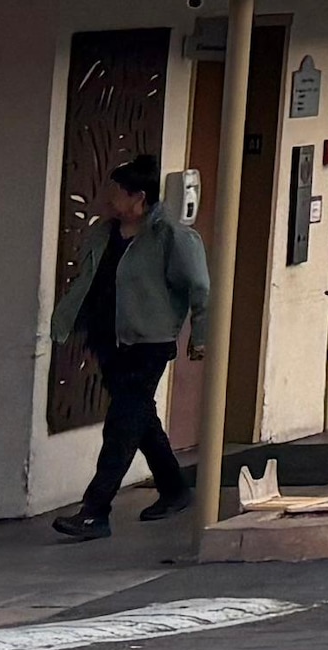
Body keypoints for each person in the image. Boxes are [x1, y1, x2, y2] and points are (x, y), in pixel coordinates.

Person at [50, 153, 213, 537]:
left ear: (139, 198)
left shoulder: (171, 237)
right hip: (108, 338)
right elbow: (88, 279)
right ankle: (174, 489)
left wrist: (200, 336)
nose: (110, 199)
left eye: (118, 192)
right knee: (140, 417)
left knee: (122, 424)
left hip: (148, 342)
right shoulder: (103, 233)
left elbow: (200, 287)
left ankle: (95, 510)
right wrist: (66, 320)